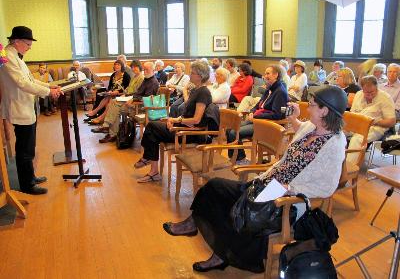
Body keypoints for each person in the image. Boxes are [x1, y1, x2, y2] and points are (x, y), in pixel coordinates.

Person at [162, 85, 347, 273]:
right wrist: (293, 119)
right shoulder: (311, 127)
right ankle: (193, 222)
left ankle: (221, 256)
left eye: (313, 105)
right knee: (215, 187)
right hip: (267, 182)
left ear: (325, 111)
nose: (308, 107)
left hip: (287, 199)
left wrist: (289, 187)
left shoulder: (335, 144)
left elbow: (327, 187)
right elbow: (300, 133)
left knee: (242, 213)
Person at [0, 26, 62, 195]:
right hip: (19, 107)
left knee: (29, 146)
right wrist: (49, 92)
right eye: (27, 43)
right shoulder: (7, 56)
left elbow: (31, 80)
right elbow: (22, 83)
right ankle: (27, 185)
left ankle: (31, 177)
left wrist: (49, 85)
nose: (30, 47)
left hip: (26, 106)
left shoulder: (16, 56)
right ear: (17, 41)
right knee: (24, 149)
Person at [134, 61, 212, 183]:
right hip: (182, 127)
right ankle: (152, 169)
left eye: (192, 73)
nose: (190, 75)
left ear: (200, 76)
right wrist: (174, 121)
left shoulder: (203, 92)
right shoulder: (197, 90)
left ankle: (148, 160)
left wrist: (177, 120)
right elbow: (188, 113)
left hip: (189, 134)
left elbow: (196, 119)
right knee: (152, 132)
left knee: (152, 127)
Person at [227, 65, 288, 163]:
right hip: (258, 120)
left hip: (268, 125)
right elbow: (258, 105)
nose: (265, 76)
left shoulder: (280, 91)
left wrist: (256, 115)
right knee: (230, 128)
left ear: (276, 75)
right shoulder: (270, 88)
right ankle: (236, 158)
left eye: (268, 73)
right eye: (265, 73)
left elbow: (278, 115)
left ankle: (240, 159)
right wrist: (252, 112)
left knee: (234, 133)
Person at [91, 60, 144, 142]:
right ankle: (110, 131)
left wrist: (126, 95)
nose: (133, 69)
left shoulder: (141, 78)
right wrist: (124, 94)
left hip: (134, 103)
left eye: (135, 67)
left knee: (114, 106)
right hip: (127, 98)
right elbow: (128, 88)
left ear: (140, 67)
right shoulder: (134, 77)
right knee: (113, 102)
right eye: (132, 67)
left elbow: (138, 93)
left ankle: (110, 130)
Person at [348, 75, 396, 163]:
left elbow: (391, 122)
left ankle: (349, 170)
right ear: (362, 89)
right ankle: (335, 164)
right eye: (366, 92)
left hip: (377, 127)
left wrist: (374, 122)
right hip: (358, 124)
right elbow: (352, 113)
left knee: (357, 139)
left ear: (377, 87)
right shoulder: (358, 94)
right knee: (336, 133)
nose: (370, 95)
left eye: (372, 92)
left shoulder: (385, 98)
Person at [85, 60, 130, 125]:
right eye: (115, 64)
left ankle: (100, 118)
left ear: (122, 66)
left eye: (118, 65)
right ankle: (95, 112)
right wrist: (110, 91)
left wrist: (117, 92)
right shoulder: (113, 75)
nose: (116, 66)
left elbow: (127, 88)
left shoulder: (126, 75)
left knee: (110, 101)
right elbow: (110, 86)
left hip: (121, 94)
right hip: (112, 93)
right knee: (107, 96)